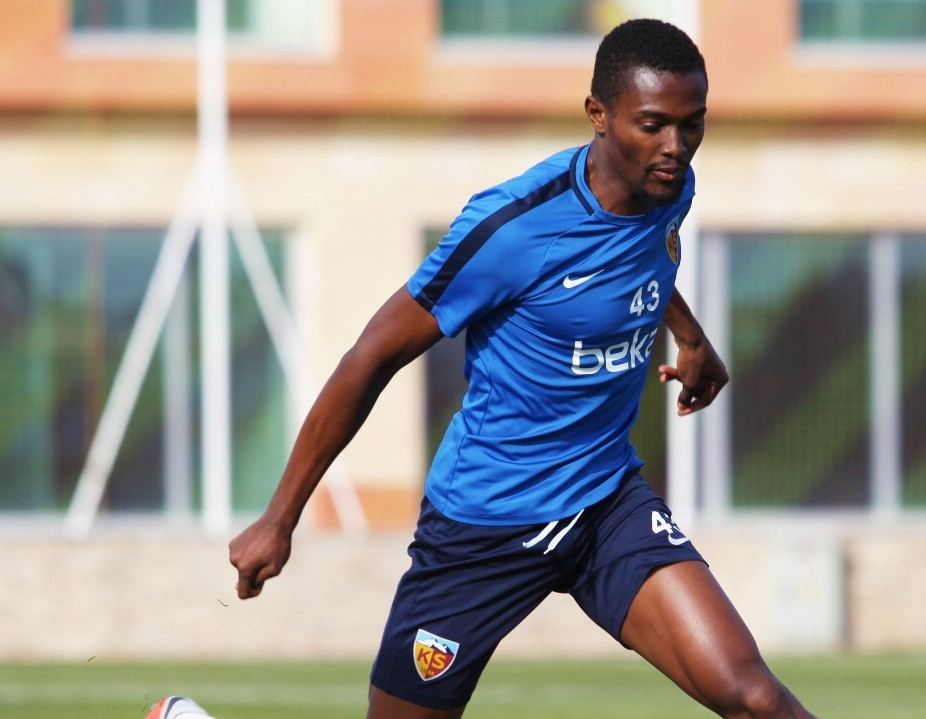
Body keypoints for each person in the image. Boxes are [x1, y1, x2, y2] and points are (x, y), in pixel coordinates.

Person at [229, 18, 817, 719]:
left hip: (606, 503)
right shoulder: (510, 230)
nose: (675, 146)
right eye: (653, 125)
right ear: (598, 114)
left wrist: (689, 338)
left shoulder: (670, 187)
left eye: (692, 125)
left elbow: (642, 256)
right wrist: (280, 517)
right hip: (485, 522)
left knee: (755, 697)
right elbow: (371, 356)